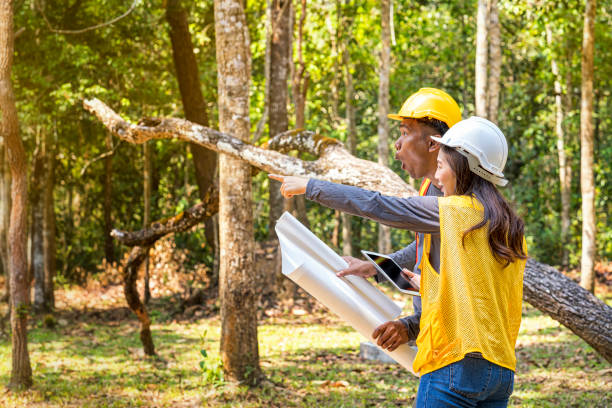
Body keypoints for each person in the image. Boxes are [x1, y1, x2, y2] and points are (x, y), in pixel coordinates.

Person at [270, 116, 527, 407]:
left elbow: (380, 205)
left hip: (454, 364)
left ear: (463, 167)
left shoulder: (457, 211)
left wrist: (311, 186)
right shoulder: (508, 226)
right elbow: (478, 298)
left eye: (441, 167)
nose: (437, 179)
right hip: (500, 372)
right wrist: (405, 281)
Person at [339, 88, 463, 351]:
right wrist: (375, 267)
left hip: (458, 343)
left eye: (406, 133)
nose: (398, 144)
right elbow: (421, 250)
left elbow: (457, 291)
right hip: (433, 330)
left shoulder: (460, 196)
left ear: (434, 143)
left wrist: (310, 187)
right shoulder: (429, 188)